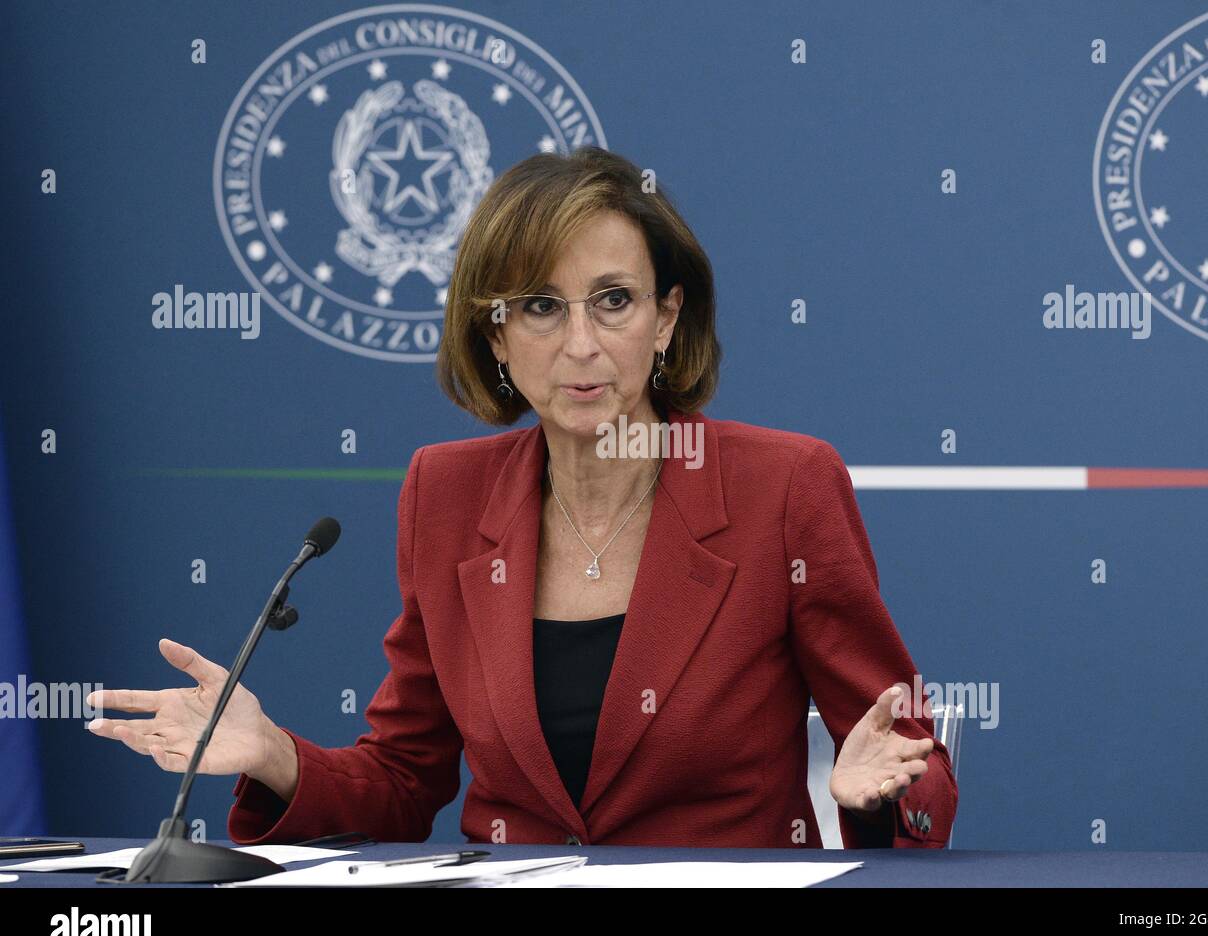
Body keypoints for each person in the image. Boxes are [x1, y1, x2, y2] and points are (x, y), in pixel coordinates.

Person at [86, 147, 957, 848]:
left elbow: (905, 754)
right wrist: (278, 756)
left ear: (665, 320)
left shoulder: (783, 485)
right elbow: (403, 781)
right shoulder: (447, 493)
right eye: (541, 305)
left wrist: (876, 794)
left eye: (613, 301)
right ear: (495, 335)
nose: (582, 343)